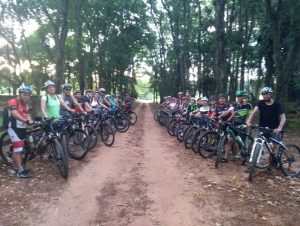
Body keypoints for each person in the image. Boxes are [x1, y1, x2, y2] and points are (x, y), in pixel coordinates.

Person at [7, 84, 33, 178]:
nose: (27, 96)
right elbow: (14, 113)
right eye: (24, 94)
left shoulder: (26, 104)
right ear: (20, 94)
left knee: (22, 146)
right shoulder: (13, 101)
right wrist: (25, 121)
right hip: (13, 128)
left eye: (28, 95)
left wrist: (30, 122)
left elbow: (28, 115)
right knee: (18, 149)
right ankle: (19, 170)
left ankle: (16, 161)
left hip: (22, 128)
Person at [219, 90, 252, 163]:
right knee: (230, 141)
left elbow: (250, 115)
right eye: (238, 96)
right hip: (234, 124)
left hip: (243, 126)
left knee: (240, 142)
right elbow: (228, 112)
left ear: (244, 97)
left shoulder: (248, 105)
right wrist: (220, 117)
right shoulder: (235, 104)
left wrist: (247, 123)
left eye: (240, 96)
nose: (239, 98)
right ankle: (225, 157)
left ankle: (243, 156)